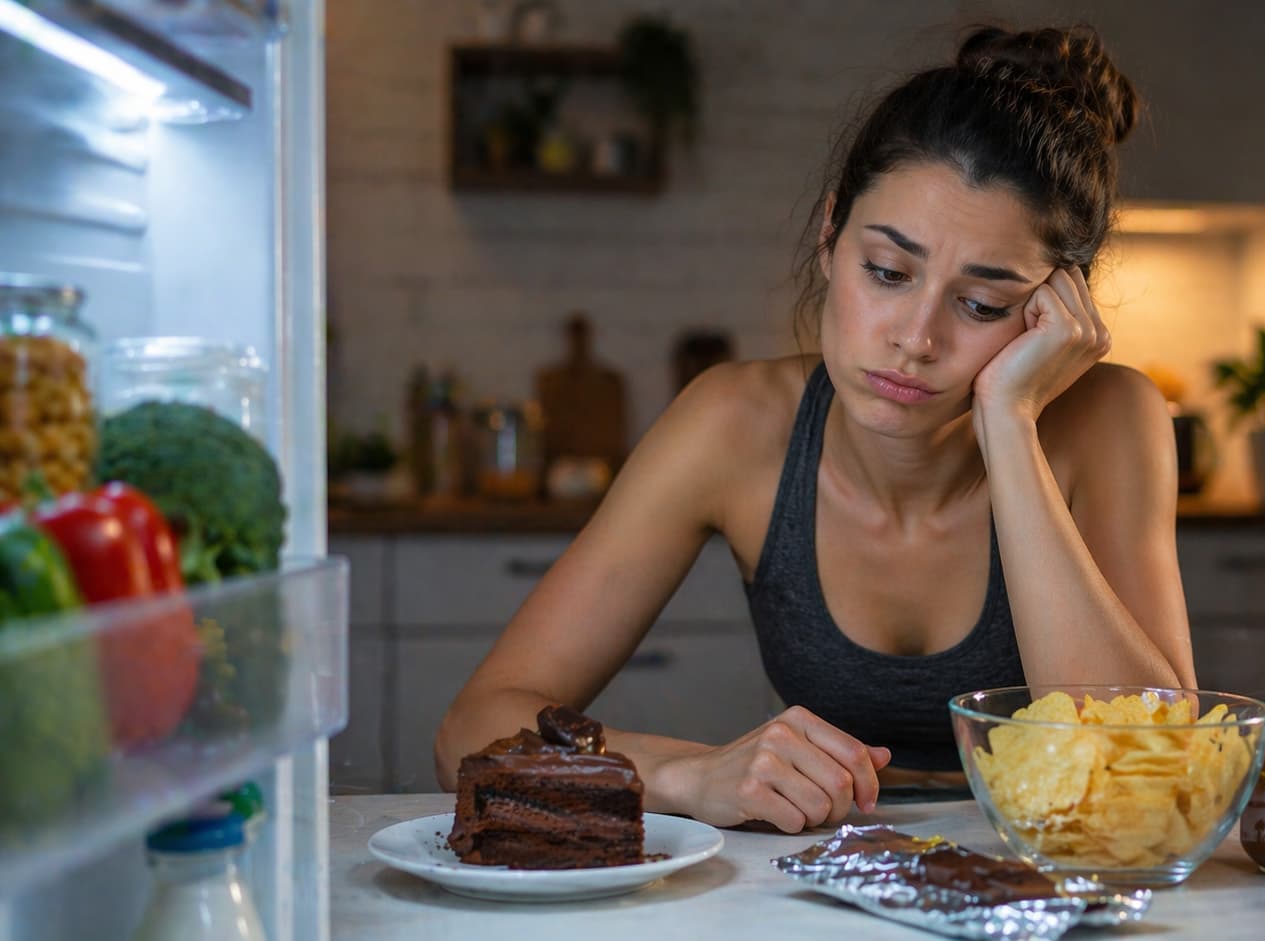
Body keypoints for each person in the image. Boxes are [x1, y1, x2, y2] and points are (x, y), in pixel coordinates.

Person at [436, 23, 1194, 834]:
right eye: (888, 272)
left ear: (1053, 313)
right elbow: (471, 731)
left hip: (1054, 871)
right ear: (831, 236)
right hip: (818, 881)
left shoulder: (1110, 419)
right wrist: (686, 773)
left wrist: (1009, 422)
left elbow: (1151, 782)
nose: (917, 338)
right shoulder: (734, 423)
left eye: (982, 305)